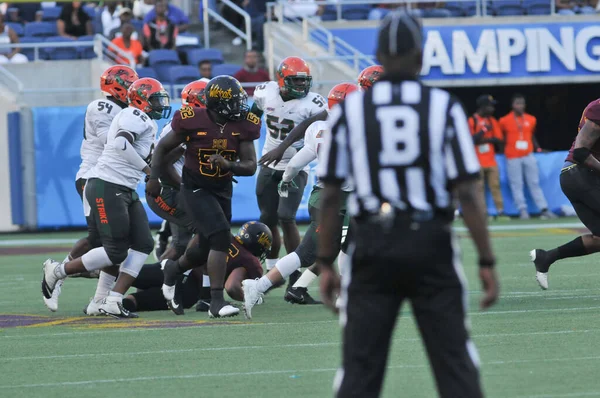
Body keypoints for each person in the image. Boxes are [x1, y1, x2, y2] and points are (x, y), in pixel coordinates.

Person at [316, 11, 499, 398]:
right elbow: (468, 192)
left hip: (370, 244)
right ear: (421, 55)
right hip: (429, 240)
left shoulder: (350, 111)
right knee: (455, 364)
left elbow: (331, 195)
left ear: (380, 53)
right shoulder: (443, 106)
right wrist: (486, 260)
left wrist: (327, 262)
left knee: (359, 369)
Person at [42, 78, 171, 319]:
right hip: (107, 184)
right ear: (141, 100)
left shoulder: (143, 119)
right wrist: (148, 171)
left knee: (144, 243)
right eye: (155, 99)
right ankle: (58, 271)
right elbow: (122, 143)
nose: (159, 104)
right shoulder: (135, 115)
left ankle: (109, 300)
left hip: (123, 187)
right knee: (114, 251)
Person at [147, 75, 261, 318]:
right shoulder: (191, 120)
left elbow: (251, 165)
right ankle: (215, 302)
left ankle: (173, 270)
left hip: (221, 189)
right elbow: (162, 149)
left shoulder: (243, 125)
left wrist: (229, 164)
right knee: (220, 237)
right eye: (235, 100)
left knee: (205, 244)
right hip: (194, 187)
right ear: (219, 103)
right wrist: (154, 178)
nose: (241, 105)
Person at [242, 83, 358, 317]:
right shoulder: (362, 128)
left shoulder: (318, 129)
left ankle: (344, 296)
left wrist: (286, 179)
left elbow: (296, 162)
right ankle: (258, 286)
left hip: (324, 196)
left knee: (342, 247)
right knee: (311, 252)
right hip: (338, 199)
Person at [42, 66, 139, 313]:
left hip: (116, 180)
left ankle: (99, 301)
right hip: (94, 177)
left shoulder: (127, 111)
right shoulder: (102, 107)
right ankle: (59, 273)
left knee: (116, 243)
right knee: (103, 241)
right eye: (129, 84)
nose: (133, 89)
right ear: (116, 86)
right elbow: (114, 141)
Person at [251, 56, 326, 276]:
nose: (302, 85)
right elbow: (254, 114)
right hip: (268, 162)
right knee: (267, 218)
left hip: (296, 166)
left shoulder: (313, 103)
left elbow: (308, 128)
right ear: (282, 79)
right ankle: (271, 265)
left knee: (286, 216)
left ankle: (295, 271)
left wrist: (283, 148)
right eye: (296, 80)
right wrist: (245, 134)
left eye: (304, 81)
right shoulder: (266, 92)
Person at [123, 222, 271, 314]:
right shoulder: (250, 261)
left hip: (181, 269)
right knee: (135, 301)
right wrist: (249, 298)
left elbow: (195, 243)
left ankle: (101, 272)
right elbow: (231, 286)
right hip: (190, 290)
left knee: (128, 275)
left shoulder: (223, 236)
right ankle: (119, 303)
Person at [530, 97, 600, 290]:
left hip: (585, 176)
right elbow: (580, 153)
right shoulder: (599, 108)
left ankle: (547, 257)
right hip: (579, 173)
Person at [147, 79, 209, 262]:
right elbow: (165, 164)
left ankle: (162, 282)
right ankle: (173, 279)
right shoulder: (186, 123)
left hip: (172, 188)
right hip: (167, 190)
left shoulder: (193, 120)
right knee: (206, 230)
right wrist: (186, 188)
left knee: (181, 245)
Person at [499, 94, 556, 220]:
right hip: (512, 156)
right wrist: (502, 152)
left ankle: (544, 209)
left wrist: (538, 148)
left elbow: (531, 135)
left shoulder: (531, 119)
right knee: (516, 184)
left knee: (534, 182)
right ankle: (522, 210)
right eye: (517, 103)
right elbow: (501, 139)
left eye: (522, 103)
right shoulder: (504, 120)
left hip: (528, 154)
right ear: (512, 105)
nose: (520, 106)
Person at [469, 94, 505, 218]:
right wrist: (484, 131)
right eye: (490, 106)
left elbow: (499, 139)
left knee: (495, 186)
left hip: (491, 161)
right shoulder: (472, 120)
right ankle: (482, 213)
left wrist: (483, 139)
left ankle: (500, 212)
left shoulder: (492, 121)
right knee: (479, 189)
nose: (492, 109)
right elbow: (471, 140)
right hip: (477, 162)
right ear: (483, 107)